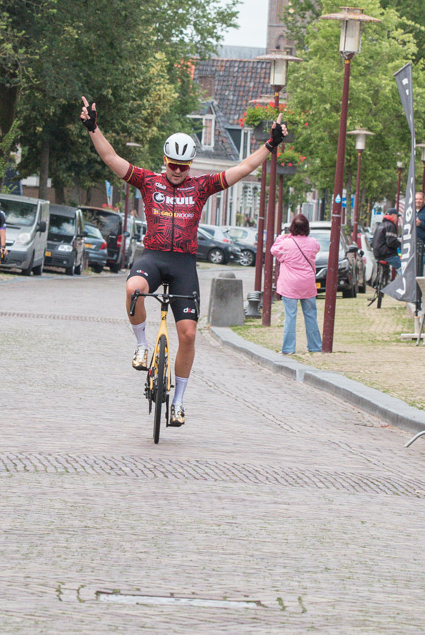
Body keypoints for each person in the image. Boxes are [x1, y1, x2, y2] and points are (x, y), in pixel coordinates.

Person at [80, 97, 288, 428]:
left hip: (184, 264)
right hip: (154, 256)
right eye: (172, 165)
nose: (177, 172)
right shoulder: (148, 181)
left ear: (190, 165)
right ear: (164, 161)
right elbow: (111, 158)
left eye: (183, 166)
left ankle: (178, 401)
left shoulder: (201, 187)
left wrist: (270, 145)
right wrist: (93, 128)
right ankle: (141, 346)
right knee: (133, 288)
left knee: (188, 335)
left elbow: (243, 169)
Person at [270, 212, 322, 355]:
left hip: (290, 285)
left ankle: (288, 348)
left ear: (292, 227)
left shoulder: (286, 243)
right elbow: (317, 249)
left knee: (290, 316)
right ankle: (315, 346)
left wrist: (282, 237)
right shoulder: (313, 242)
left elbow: (274, 250)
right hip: (307, 283)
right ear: (307, 227)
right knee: (311, 315)